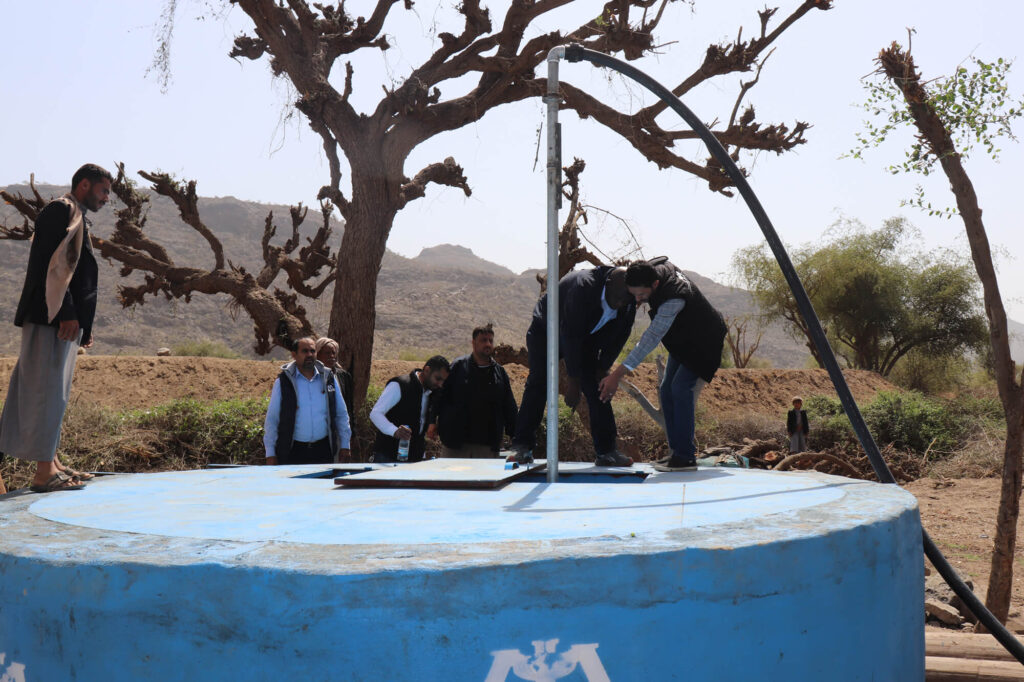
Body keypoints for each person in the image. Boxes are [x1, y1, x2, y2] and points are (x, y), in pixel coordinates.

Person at [0, 164, 112, 492]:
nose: (106, 198)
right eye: (103, 191)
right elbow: (51, 266)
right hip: (50, 317)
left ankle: (52, 463)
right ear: (85, 185)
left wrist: (82, 324)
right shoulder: (58, 211)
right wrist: (65, 312)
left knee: (54, 394)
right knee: (44, 392)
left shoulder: (73, 213)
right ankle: (43, 473)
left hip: (63, 320)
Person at [599, 256, 727, 472]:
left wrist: (617, 374)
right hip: (684, 338)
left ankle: (685, 457)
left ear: (655, 285)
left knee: (680, 388)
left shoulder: (672, 299)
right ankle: (676, 453)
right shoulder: (655, 269)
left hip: (704, 341)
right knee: (666, 388)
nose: (638, 299)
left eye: (642, 295)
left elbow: (650, 338)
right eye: (634, 294)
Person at [510, 265, 636, 466]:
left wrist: (603, 368)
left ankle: (607, 451)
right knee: (539, 382)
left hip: (585, 339)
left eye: (626, 299)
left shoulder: (628, 302)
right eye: (619, 297)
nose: (621, 303)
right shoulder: (583, 287)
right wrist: (573, 381)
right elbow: (570, 335)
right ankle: (522, 446)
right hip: (548, 330)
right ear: (609, 283)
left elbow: (620, 337)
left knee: (598, 388)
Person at [263, 337, 351, 465]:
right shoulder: (283, 382)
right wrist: (270, 453)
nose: (309, 355)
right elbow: (272, 419)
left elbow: (341, 414)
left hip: (323, 450)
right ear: (294, 355)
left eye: (312, 351)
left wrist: (345, 444)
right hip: (293, 452)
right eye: (305, 351)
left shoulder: (328, 379)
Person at [436, 324, 518, 458]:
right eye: (483, 340)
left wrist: (516, 436)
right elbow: (440, 395)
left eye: (490, 341)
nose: (488, 344)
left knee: (485, 479)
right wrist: (432, 422)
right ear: (473, 343)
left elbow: (508, 406)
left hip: (487, 446)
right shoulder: (457, 367)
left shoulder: (499, 372)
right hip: (456, 444)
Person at [370, 356, 450, 463]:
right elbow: (375, 413)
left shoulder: (433, 393)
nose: (440, 384)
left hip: (414, 459)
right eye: (438, 378)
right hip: (387, 457)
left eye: (443, 381)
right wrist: (394, 431)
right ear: (427, 370)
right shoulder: (400, 385)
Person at [314, 337, 354, 424]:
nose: (332, 356)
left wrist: (351, 430)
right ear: (318, 355)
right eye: (327, 353)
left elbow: (349, 406)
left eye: (333, 353)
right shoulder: (312, 377)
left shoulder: (344, 376)